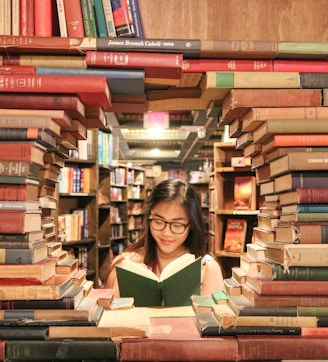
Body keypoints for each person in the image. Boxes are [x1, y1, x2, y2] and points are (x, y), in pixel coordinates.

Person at [105, 179, 224, 297]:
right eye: (158, 221)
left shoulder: (208, 269)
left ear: (191, 224)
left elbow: (214, 314)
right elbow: (112, 314)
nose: (166, 233)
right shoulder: (126, 263)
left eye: (177, 225)